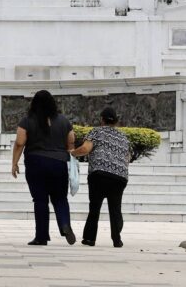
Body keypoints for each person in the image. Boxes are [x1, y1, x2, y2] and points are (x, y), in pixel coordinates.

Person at [11, 90, 76, 246]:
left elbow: (20, 142)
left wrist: (14, 162)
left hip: (36, 162)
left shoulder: (27, 120)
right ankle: (64, 224)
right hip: (59, 163)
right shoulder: (64, 121)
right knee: (60, 198)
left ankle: (41, 236)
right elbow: (71, 142)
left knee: (40, 200)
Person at [71, 107, 131, 248]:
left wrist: (73, 153)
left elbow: (85, 149)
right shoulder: (123, 137)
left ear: (102, 120)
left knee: (95, 207)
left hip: (99, 175)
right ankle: (117, 239)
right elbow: (127, 157)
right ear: (116, 121)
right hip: (119, 177)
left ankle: (89, 239)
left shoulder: (96, 132)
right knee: (115, 208)